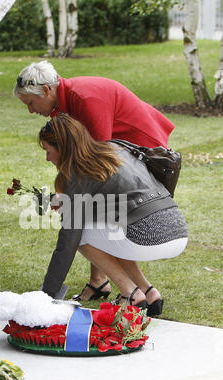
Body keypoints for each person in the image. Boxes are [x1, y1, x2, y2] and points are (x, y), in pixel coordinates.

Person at [14, 60, 176, 302]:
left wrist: (71, 200)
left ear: (46, 90)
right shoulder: (65, 102)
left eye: (30, 102)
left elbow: (97, 163)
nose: (30, 110)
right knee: (97, 217)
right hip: (125, 158)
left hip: (143, 150)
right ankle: (128, 287)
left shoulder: (85, 100)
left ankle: (125, 289)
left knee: (94, 221)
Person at [38, 113, 188, 317]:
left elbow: (67, 242)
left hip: (149, 234)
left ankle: (130, 293)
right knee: (112, 231)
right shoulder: (116, 147)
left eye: (48, 151)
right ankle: (149, 292)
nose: (47, 158)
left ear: (63, 147)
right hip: (177, 229)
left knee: (81, 235)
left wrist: (47, 295)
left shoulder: (76, 174)